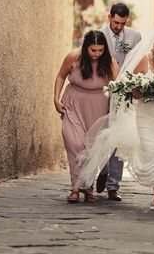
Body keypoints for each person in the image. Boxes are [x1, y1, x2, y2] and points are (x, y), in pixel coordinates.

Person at [77, 25, 154, 211]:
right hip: (147, 114)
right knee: (151, 150)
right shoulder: (146, 61)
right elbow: (131, 86)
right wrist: (139, 90)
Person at [54, 30, 119, 203]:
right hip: (73, 104)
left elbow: (120, 86)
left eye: (100, 50)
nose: (97, 54)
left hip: (97, 107)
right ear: (85, 48)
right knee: (75, 143)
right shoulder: (73, 58)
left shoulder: (110, 63)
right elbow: (60, 76)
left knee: (90, 148)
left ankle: (87, 188)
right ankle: (75, 188)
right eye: (93, 50)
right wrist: (55, 98)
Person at [98, 2, 142, 201]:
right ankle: (102, 170)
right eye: (116, 22)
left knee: (119, 137)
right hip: (101, 91)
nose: (119, 27)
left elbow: (139, 62)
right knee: (101, 133)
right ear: (109, 17)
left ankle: (113, 185)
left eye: (123, 24)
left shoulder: (135, 37)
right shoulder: (98, 34)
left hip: (123, 95)